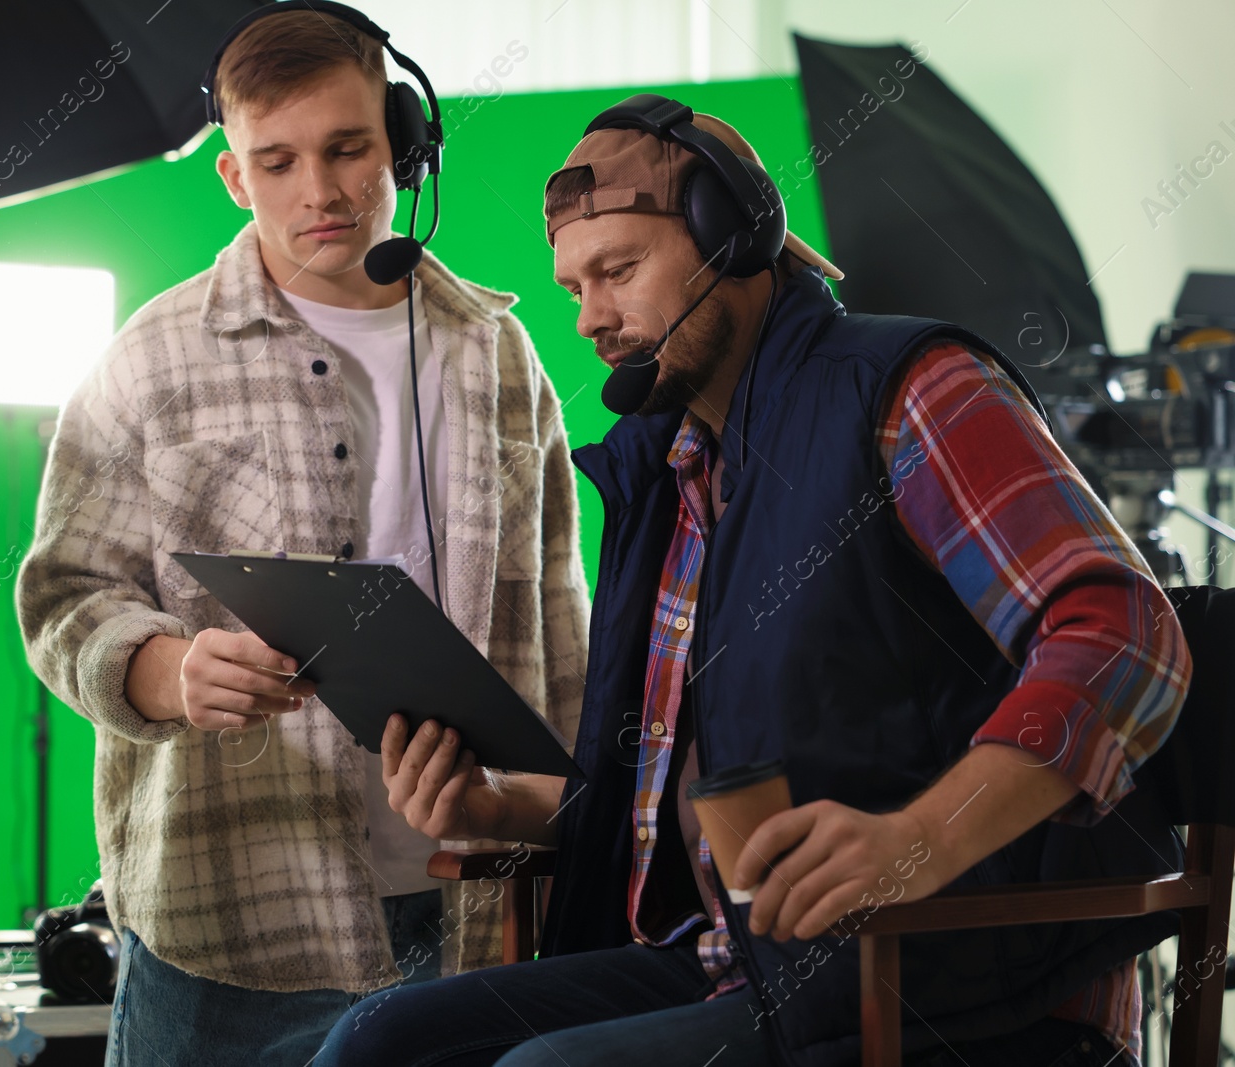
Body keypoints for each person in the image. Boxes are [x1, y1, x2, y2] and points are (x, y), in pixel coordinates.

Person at [312, 96, 1191, 1067]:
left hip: (953, 979)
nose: (592, 315)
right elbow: (693, 791)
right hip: (738, 959)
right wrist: (502, 809)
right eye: (573, 286)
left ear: (731, 242)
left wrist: (921, 837)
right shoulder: (673, 472)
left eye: (619, 270)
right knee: (380, 1038)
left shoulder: (910, 390)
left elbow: (1123, 629)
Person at [13, 5, 588, 1064]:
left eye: (347, 148)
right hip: (224, 927)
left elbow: (560, 628)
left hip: (467, 913)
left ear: (403, 142)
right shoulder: (147, 359)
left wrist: (568, 833)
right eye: (275, 161)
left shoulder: (499, 357)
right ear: (235, 176)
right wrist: (167, 668)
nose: (318, 191)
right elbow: (63, 598)